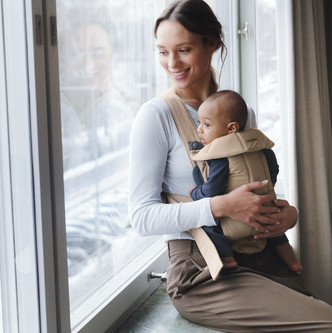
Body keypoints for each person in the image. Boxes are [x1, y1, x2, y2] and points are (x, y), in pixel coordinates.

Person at [128, 0, 332, 331]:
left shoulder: (240, 112)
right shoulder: (156, 116)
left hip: (258, 252)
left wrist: (287, 214)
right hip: (202, 268)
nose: (171, 63)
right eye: (162, 52)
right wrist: (221, 206)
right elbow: (141, 218)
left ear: (213, 44)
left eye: (182, 50)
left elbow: (255, 186)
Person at [188, 90, 303, 273]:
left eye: (207, 124)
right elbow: (273, 168)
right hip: (264, 210)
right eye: (199, 123)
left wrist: (196, 193)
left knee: (206, 223)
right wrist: (268, 185)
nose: (199, 129)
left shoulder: (219, 155)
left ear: (231, 128)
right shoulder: (259, 146)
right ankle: (292, 261)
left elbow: (212, 190)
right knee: (273, 226)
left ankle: (225, 258)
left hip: (235, 224)